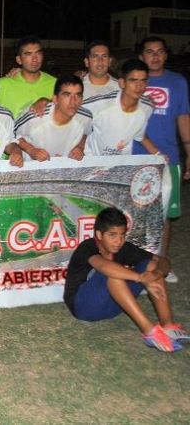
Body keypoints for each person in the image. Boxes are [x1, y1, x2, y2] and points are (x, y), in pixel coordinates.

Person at [63, 207, 189, 352]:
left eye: (122, 235)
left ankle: (168, 325)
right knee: (113, 274)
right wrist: (141, 278)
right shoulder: (88, 247)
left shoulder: (124, 247)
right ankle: (150, 332)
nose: (118, 241)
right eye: (112, 235)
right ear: (99, 234)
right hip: (84, 307)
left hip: (113, 307)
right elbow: (104, 266)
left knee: (152, 266)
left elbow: (163, 261)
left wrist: (156, 273)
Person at [134, 36, 190, 283]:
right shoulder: (132, 80)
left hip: (168, 158)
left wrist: (189, 151)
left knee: (164, 214)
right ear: (141, 57)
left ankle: (161, 262)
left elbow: (183, 118)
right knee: (134, 213)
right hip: (135, 157)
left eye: (160, 52)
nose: (155, 56)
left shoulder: (178, 83)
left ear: (166, 55)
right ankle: (135, 261)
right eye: (149, 52)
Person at [83, 60, 161, 158]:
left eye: (143, 80)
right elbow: (72, 115)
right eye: (133, 80)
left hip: (120, 164)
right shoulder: (100, 103)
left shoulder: (147, 107)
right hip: (91, 161)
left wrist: (158, 155)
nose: (139, 86)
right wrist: (78, 147)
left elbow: (140, 135)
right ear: (122, 83)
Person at [14, 75, 92, 162]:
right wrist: (31, 150)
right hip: (32, 170)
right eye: (67, 95)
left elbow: (85, 133)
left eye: (78, 95)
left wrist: (80, 147)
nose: (73, 101)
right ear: (55, 99)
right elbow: (12, 135)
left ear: (82, 99)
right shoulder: (35, 116)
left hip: (66, 171)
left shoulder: (86, 117)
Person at [0, 36, 57, 118]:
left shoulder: (56, 84)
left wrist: (48, 102)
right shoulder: (0, 85)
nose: (35, 59)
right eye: (28, 54)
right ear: (19, 60)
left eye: (38, 53)